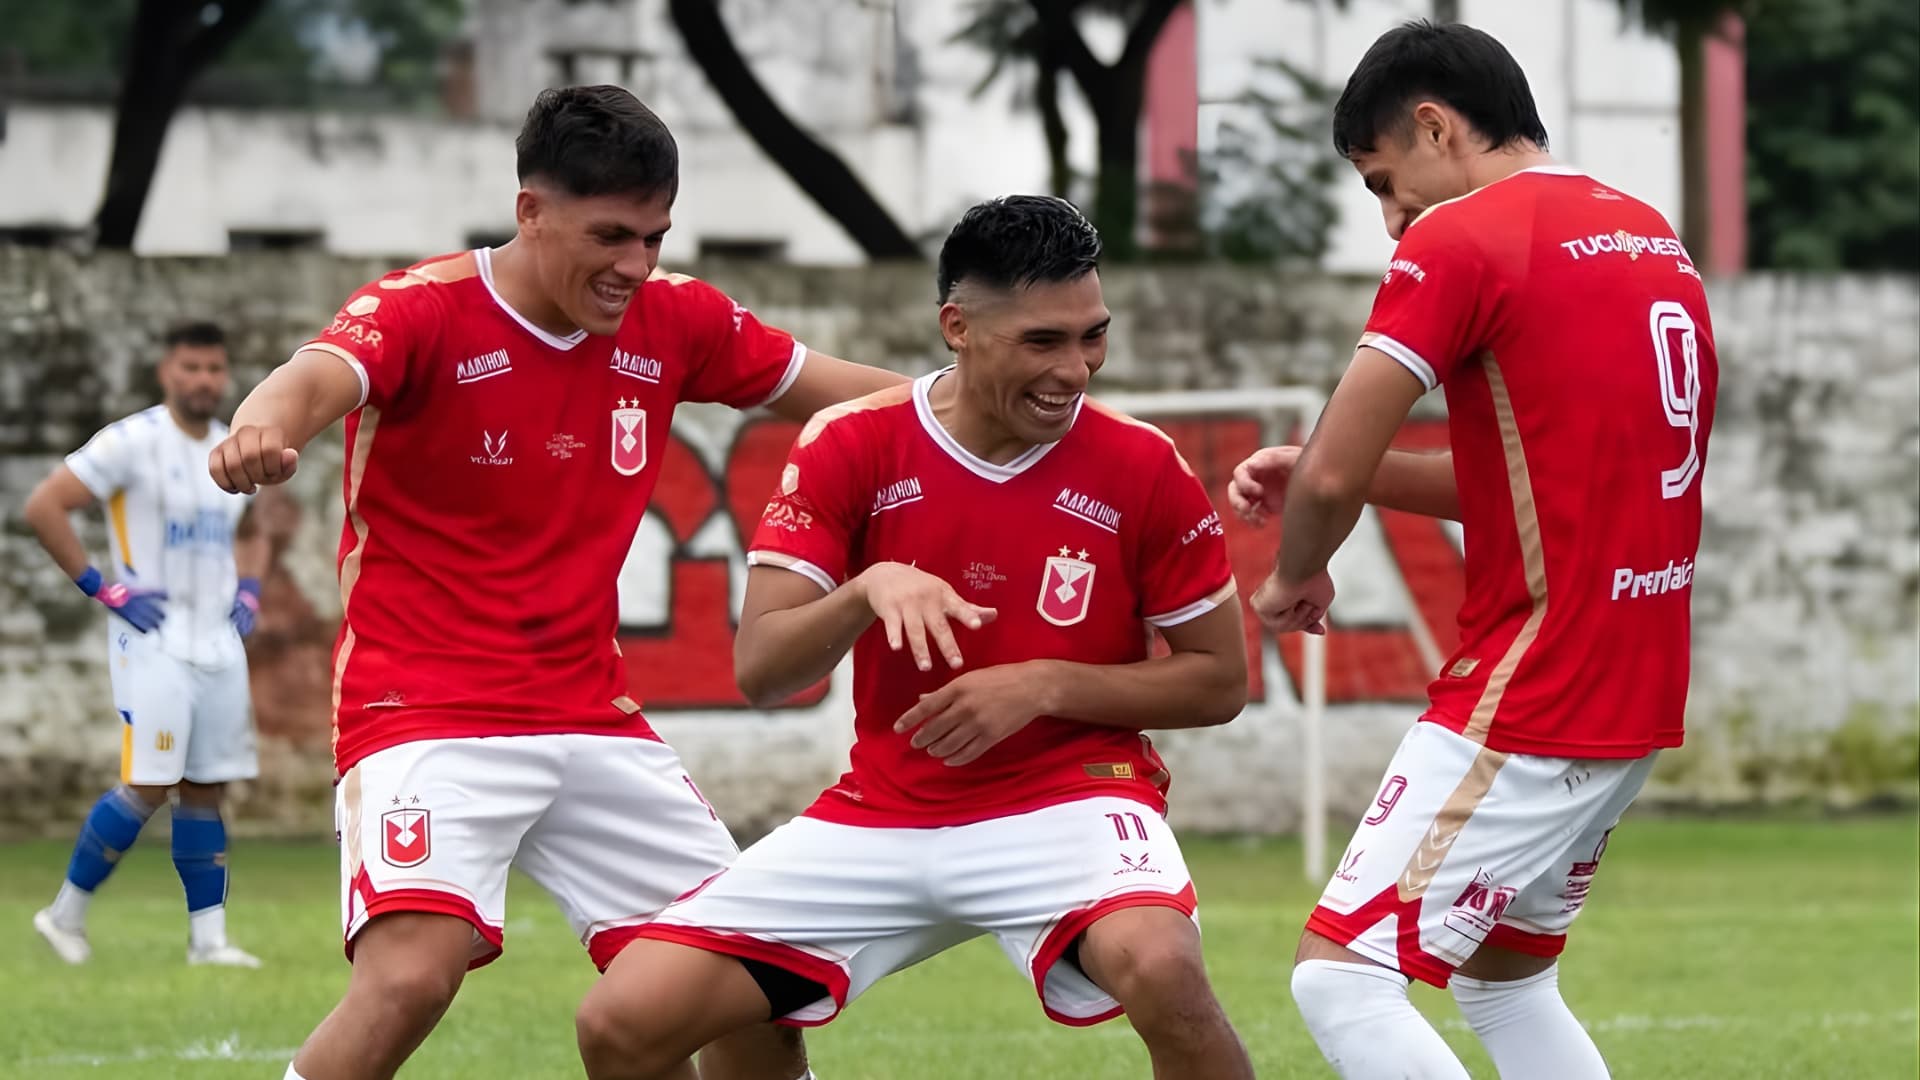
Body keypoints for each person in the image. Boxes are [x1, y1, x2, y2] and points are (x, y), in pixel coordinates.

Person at [208, 85, 901, 1080]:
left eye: (655, 237)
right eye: (611, 236)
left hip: (588, 715)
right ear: (531, 211)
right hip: (424, 707)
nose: (637, 266)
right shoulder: (423, 309)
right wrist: (263, 424)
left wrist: (1001, 413)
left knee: (749, 985)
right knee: (411, 977)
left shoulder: (675, 320)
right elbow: (314, 376)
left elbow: (864, 401)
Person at [574, 195, 1257, 1080]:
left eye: (1092, 336)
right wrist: (865, 590)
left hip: (1071, 799)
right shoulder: (852, 443)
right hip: (889, 808)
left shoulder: (1143, 465)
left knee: (1164, 966)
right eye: (1042, 342)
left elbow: (1219, 681)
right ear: (957, 327)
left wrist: (1046, 685)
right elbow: (763, 669)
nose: (1076, 370)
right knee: (620, 1024)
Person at [1230, 21, 1719, 1080]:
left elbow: (1325, 479)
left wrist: (1293, 568)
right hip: (1634, 680)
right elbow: (1543, 478)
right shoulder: (1644, 231)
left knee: (1343, 975)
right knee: (1506, 982)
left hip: (1533, 685)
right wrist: (1338, 469)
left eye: (1382, 180)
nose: (1392, 216)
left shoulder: (1459, 240)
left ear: (1435, 125)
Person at [26, 321, 267, 969]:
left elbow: (254, 526)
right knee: (148, 784)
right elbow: (45, 505)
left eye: (214, 368)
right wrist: (103, 590)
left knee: (206, 785)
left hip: (216, 641)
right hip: (151, 638)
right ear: (167, 371)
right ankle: (64, 915)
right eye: (191, 367)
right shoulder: (132, 442)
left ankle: (209, 942)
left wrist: (248, 590)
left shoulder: (227, 448)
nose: (204, 380)